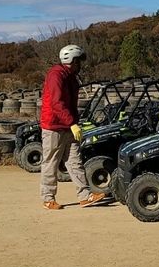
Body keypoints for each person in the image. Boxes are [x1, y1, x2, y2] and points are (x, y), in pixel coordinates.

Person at [39, 44, 111, 210]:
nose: (81, 65)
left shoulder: (70, 77)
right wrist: (72, 123)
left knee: (75, 161)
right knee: (51, 163)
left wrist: (74, 123)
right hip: (53, 126)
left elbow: (70, 104)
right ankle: (48, 198)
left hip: (68, 125)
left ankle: (85, 196)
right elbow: (57, 103)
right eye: (79, 61)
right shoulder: (56, 75)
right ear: (71, 60)